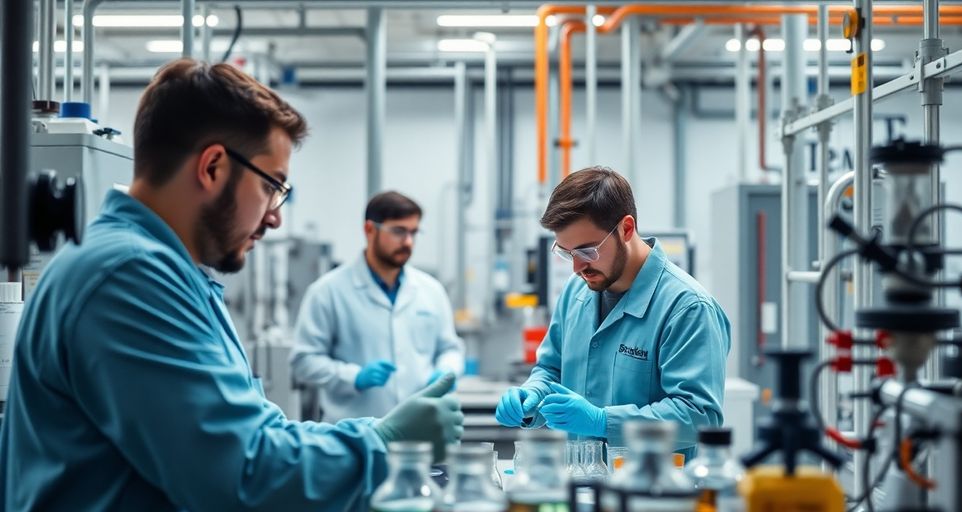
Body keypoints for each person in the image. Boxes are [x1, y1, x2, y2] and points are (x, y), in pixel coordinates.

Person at [0, 59, 462, 511]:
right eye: (272, 187)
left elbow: (258, 435)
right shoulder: (130, 276)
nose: (276, 216)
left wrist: (376, 431)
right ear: (214, 167)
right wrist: (382, 445)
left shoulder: (169, 272)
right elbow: (242, 476)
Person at [494, 167, 730, 459]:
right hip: (581, 480)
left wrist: (604, 422)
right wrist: (532, 395)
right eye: (566, 253)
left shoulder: (688, 308)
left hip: (654, 492)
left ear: (626, 229)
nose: (576, 268)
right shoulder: (575, 291)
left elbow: (699, 416)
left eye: (587, 251)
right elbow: (551, 369)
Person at [290, 191, 465, 422]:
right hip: (353, 436)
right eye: (399, 231)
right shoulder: (327, 292)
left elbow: (450, 348)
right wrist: (354, 377)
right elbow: (304, 360)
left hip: (419, 431)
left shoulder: (431, 290)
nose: (408, 242)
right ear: (370, 230)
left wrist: (446, 370)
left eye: (413, 232)